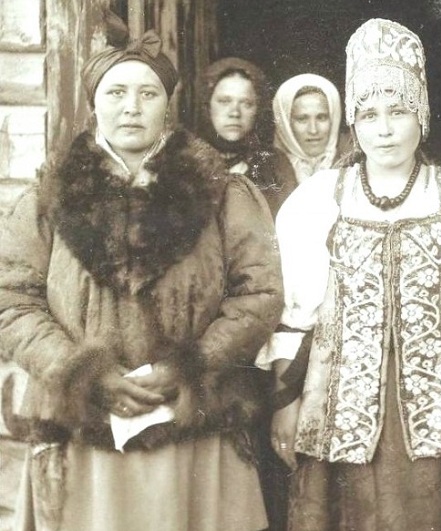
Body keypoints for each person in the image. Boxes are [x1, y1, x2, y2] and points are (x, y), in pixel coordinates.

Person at [0, 31, 283, 531]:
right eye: (116, 92)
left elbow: (258, 292)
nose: (131, 107)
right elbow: (11, 296)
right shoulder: (50, 194)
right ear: (94, 104)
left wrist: (191, 366)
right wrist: (79, 371)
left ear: (167, 105)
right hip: (84, 426)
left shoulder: (222, 190)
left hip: (191, 421)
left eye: (147, 93)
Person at [256, 18, 441, 530]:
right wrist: (285, 401)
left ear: (422, 113)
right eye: (368, 114)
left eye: (398, 111)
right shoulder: (320, 199)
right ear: (354, 122)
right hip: (335, 405)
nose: (384, 129)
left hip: (433, 410)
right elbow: (294, 314)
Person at [200, 56, 296, 217]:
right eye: (224, 101)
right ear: (207, 105)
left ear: (258, 109)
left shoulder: (275, 165)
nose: (235, 113)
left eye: (246, 103)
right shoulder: (185, 161)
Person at [272, 73, 343, 184]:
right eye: (302, 119)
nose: (313, 130)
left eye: (321, 117)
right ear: (285, 124)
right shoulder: (266, 172)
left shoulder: (354, 163)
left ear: (334, 119)